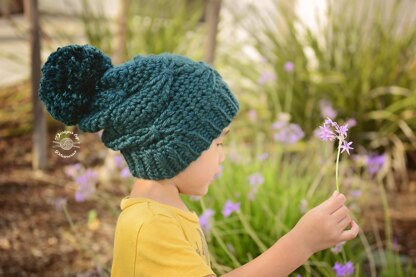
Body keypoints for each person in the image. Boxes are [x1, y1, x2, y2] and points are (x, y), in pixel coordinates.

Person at [39, 44, 359, 277]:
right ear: (174, 148)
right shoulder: (149, 226)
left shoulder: (164, 211)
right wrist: (300, 243)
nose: (223, 155)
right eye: (217, 142)